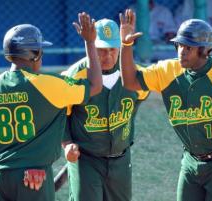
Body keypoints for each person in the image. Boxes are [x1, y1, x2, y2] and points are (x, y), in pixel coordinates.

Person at [119, 9, 212, 201]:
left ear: (204, 50)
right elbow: (130, 81)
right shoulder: (167, 71)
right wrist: (126, 44)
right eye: (179, 45)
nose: (181, 52)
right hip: (191, 160)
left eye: (189, 47)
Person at [0, 12, 102, 201]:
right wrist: (90, 42)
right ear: (35, 54)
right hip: (33, 179)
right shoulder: (49, 85)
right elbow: (95, 85)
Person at [61, 18, 149, 201]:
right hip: (85, 160)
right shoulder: (76, 75)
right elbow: (61, 113)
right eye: (101, 50)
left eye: (112, 49)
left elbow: (137, 100)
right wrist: (67, 143)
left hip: (121, 160)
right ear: (91, 46)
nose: (107, 55)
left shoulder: (135, 74)